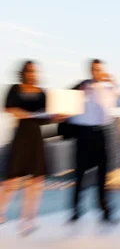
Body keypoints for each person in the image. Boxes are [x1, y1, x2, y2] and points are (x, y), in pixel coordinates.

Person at [0, 61, 69, 235]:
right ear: (23, 72)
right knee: (12, 180)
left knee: (36, 181)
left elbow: (46, 118)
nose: (32, 74)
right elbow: (10, 109)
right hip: (20, 137)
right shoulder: (15, 89)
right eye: (29, 71)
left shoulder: (42, 93)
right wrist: (27, 114)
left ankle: (28, 220)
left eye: (34, 71)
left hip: (36, 138)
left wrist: (58, 117)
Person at [68, 59, 120, 223]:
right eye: (94, 69)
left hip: (101, 133)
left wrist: (114, 83)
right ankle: (75, 211)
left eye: (99, 70)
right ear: (90, 70)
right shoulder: (81, 86)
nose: (97, 72)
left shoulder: (109, 88)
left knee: (102, 175)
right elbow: (67, 106)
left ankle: (105, 212)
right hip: (83, 134)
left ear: (103, 71)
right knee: (80, 174)